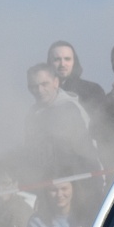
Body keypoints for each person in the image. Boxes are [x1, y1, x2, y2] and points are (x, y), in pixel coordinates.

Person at [22, 63, 99, 197]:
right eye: (33, 86)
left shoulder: (69, 109)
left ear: (56, 82)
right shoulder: (32, 115)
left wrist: (91, 188)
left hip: (78, 186)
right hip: (48, 187)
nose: (39, 90)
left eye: (44, 84)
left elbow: (86, 154)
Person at [47, 41, 107, 120]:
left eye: (67, 59)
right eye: (57, 59)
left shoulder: (93, 90)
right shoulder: (42, 91)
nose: (62, 64)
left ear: (74, 62)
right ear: (49, 63)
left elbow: (102, 122)